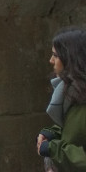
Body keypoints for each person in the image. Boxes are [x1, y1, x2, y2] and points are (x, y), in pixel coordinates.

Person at [36, 27, 86, 171]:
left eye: (55, 55)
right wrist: (52, 133)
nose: (50, 60)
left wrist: (54, 149)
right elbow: (74, 127)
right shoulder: (74, 93)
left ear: (71, 58)